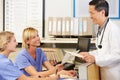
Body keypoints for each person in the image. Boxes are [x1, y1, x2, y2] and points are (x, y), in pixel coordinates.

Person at [79, 0, 120, 80]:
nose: (90, 16)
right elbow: (102, 50)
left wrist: (95, 59)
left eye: (92, 13)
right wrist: (89, 54)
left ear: (102, 12)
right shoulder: (101, 28)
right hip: (104, 73)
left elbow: (117, 55)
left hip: (113, 75)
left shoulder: (113, 30)